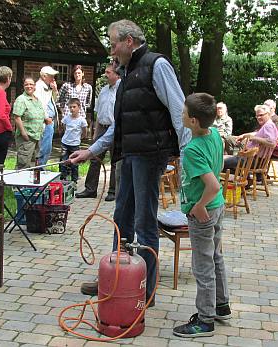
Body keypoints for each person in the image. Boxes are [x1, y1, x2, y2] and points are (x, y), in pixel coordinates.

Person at [69, 19, 191, 304]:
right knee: (121, 218)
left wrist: (187, 157)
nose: (111, 51)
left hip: (150, 156)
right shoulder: (127, 74)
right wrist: (91, 151)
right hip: (129, 155)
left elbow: (179, 110)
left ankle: (143, 291)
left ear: (129, 41)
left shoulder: (156, 65)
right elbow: (119, 125)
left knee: (144, 222)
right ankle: (115, 279)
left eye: (113, 44)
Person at [172, 93, 228, 338]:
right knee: (215, 257)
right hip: (218, 207)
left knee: (202, 265)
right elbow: (219, 165)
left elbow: (213, 185)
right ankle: (221, 305)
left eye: (183, 112)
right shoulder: (214, 134)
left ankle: (205, 320)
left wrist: (199, 206)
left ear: (193, 121)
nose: (181, 115)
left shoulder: (194, 149)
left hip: (204, 211)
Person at [75, 64, 120, 202]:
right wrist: (95, 133)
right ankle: (90, 189)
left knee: (114, 160)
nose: (105, 75)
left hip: (116, 129)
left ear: (116, 74)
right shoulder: (104, 91)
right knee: (94, 158)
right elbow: (98, 114)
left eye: (108, 72)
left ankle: (113, 191)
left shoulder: (121, 90)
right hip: (102, 128)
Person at [223, 104, 278, 171]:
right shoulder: (267, 125)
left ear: (268, 114)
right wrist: (244, 135)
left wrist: (253, 138)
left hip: (254, 161)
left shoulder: (268, 126)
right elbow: (258, 134)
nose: (258, 117)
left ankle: (231, 178)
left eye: (261, 115)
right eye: (257, 116)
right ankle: (237, 176)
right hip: (253, 159)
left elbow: (272, 143)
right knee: (225, 159)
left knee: (221, 162)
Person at [13, 77, 46, 170]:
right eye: (26, 84)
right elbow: (17, 117)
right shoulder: (21, 99)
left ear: (35, 86)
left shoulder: (37, 99)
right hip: (27, 137)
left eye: (31, 84)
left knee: (33, 163)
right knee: (23, 163)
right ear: (23, 86)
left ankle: (29, 183)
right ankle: (19, 183)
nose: (29, 86)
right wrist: (24, 133)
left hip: (36, 136)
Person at [35, 66, 59, 166]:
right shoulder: (39, 87)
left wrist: (54, 90)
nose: (53, 78)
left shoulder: (47, 87)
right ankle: (40, 168)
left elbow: (54, 101)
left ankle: (41, 167)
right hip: (45, 121)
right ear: (44, 76)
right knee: (44, 147)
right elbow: (39, 105)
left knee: (47, 147)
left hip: (50, 121)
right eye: (51, 76)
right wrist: (46, 118)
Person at [59, 98, 88, 182]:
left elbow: (84, 131)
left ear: (79, 107)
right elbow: (64, 127)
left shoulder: (82, 120)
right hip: (65, 143)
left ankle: (74, 180)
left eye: (74, 107)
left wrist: (81, 137)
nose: (72, 109)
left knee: (74, 163)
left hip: (75, 145)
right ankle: (62, 178)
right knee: (63, 161)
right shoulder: (66, 118)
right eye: (70, 107)